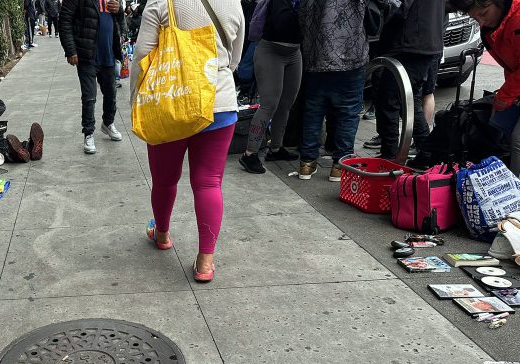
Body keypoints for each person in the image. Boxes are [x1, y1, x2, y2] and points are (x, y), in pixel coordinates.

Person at [131, 0, 244, 282]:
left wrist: (135, 100)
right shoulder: (233, 3)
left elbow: (142, 55)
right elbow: (234, 58)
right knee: (208, 182)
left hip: (171, 101)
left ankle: (162, 234)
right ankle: (205, 262)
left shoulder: (160, 2)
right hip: (219, 101)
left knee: (165, 180)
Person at [297, 0, 371, 181]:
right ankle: (340, 165)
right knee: (348, 113)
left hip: (316, 57)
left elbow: (301, 14)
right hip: (350, 56)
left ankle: (306, 163)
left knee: (313, 112)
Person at [449, 0, 519, 175]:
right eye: (475, 18)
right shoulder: (495, 25)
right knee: (505, 133)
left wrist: (505, 96)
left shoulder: (516, 19)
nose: (481, 22)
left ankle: (516, 192)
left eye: (483, 14)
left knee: (518, 140)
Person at [373, 0, 445, 160]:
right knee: (408, 102)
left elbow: (398, 7)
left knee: (390, 102)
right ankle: (427, 154)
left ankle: (391, 156)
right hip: (425, 41)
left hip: (410, 43)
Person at [239, 0, 302, 174]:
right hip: (271, 51)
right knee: (269, 104)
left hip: (294, 52)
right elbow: (282, 23)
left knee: (286, 103)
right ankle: (249, 153)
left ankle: (276, 148)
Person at [59, 0, 125, 154]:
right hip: (87, 55)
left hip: (108, 53)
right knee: (89, 97)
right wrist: (70, 50)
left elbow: (120, 22)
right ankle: (88, 133)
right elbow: (64, 21)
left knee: (111, 94)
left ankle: (108, 123)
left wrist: (120, 10)